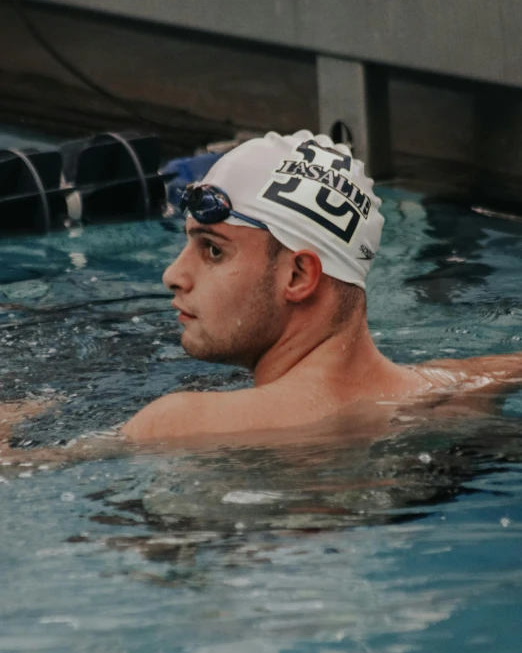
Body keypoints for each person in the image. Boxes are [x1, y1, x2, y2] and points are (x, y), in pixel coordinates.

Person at [121, 130, 522, 444]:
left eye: (212, 250)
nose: (173, 274)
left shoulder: (175, 426)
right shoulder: (453, 389)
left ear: (298, 276)